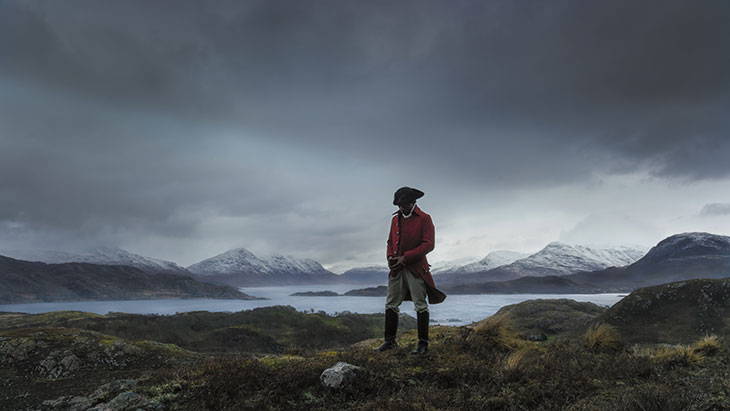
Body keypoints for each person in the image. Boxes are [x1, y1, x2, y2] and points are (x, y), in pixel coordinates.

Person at [374, 186, 446, 355]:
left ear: (413, 202)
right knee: (391, 303)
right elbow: (390, 241)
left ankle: (423, 344)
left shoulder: (425, 219)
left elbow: (429, 245)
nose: (401, 208)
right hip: (396, 269)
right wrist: (390, 257)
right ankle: (389, 341)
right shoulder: (395, 220)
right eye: (399, 205)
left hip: (415, 268)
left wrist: (405, 258)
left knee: (420, 305)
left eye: (404, 204)